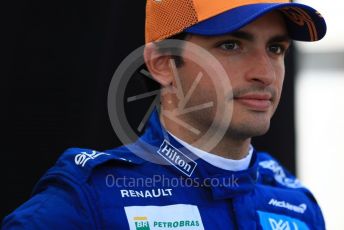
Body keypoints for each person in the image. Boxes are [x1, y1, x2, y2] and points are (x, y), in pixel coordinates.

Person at [2, 0, 327, 229]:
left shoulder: (295, 203)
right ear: (163, 64)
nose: (265, 74)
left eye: (276, 49)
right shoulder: (93, 197)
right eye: (231, 46)